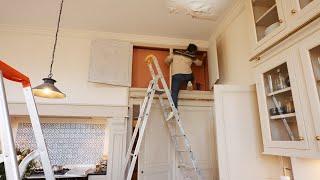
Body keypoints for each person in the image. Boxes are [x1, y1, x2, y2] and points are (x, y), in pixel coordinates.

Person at [165, 43, 206, 115]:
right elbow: (200, 64)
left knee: (174, 93)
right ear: (194, 51)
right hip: (187, 75)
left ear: (187, 48)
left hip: (176, 75)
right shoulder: (192, 56)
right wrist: (203, 57)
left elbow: (167, 60)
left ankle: (174, 110)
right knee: (191, 76)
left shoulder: (176, 52)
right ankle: (189, 83)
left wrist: (168, 64)